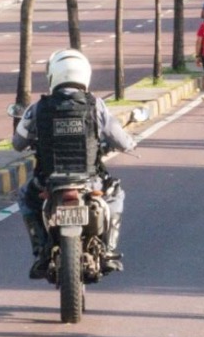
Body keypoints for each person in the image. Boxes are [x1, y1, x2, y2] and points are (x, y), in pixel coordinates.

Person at [13, 49, 135, 278]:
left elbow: (18, 143)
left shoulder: (38, 108)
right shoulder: (96, 106)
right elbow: (120, 139)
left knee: (25, 197)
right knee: (115, 195)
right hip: (89, 180)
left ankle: (41, 250)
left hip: (48, 181)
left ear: (54, 76)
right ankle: (108, 250)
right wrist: (129, 144)